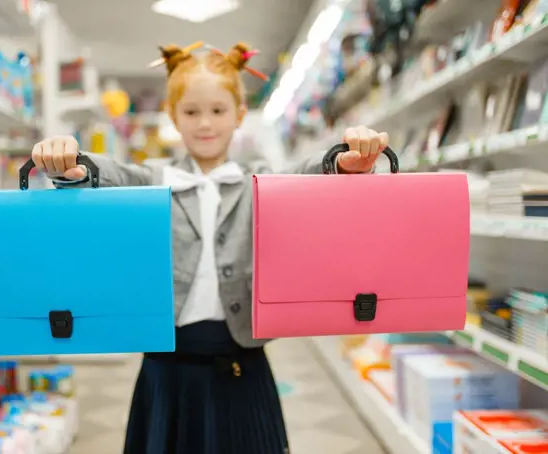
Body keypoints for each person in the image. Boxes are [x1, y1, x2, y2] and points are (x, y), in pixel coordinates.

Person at [31, 42, 389, 454]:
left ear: (239, 115)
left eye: (218, 111)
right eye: (191, 111)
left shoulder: (262, 182)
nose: (205, 123)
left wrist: (345, 160)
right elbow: (110, 173)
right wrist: (74, 165)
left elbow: (308, 174)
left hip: (244, 369)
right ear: (173, 116)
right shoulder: (154, 180)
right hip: (167, 371)